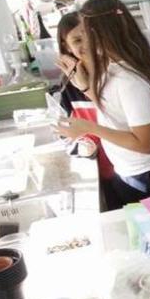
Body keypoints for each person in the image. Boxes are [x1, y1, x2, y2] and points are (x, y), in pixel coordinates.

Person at [53, 0, 150, 209]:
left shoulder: (130, 81)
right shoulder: (111, 68)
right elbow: (114, 110)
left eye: (85, 32)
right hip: (132, 168)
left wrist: (89, 127)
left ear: (99, 33)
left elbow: (144, 144)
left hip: (148, 171)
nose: (83, 40)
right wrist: (84, 87)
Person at [55, 12, 117, 207]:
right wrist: (82, 144)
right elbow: (65, 134)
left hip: (133, 167)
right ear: (66, 46)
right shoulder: (68, 88)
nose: (87, 44)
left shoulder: (116, 71)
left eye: (90, 36)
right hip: (103, 171)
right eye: (77, 40)